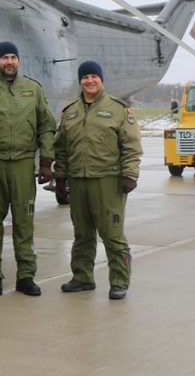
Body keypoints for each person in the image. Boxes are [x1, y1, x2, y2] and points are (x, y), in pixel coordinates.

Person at [0, 41, 56, 297]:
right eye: (4, 57)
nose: (9, 62)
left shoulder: (33, 90)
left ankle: (26, 276)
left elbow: (46, 127)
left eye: (13, 57)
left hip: (22, 164)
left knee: (24, 222)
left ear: (18, 61)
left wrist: (46, 161)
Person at [54, 60, 142, 300]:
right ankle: (82, 277)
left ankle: (119, 281)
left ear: (101, 80)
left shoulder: (118, 109)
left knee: (112, 234)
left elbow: (131, 146)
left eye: (94, 76)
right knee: (82, 233)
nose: (89, 81)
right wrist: (60, 178)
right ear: (80, 81)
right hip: (78, 181)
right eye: (85, 77)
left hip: (108, 181)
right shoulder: (70, 111)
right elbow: (61, 149)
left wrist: (130, 174)